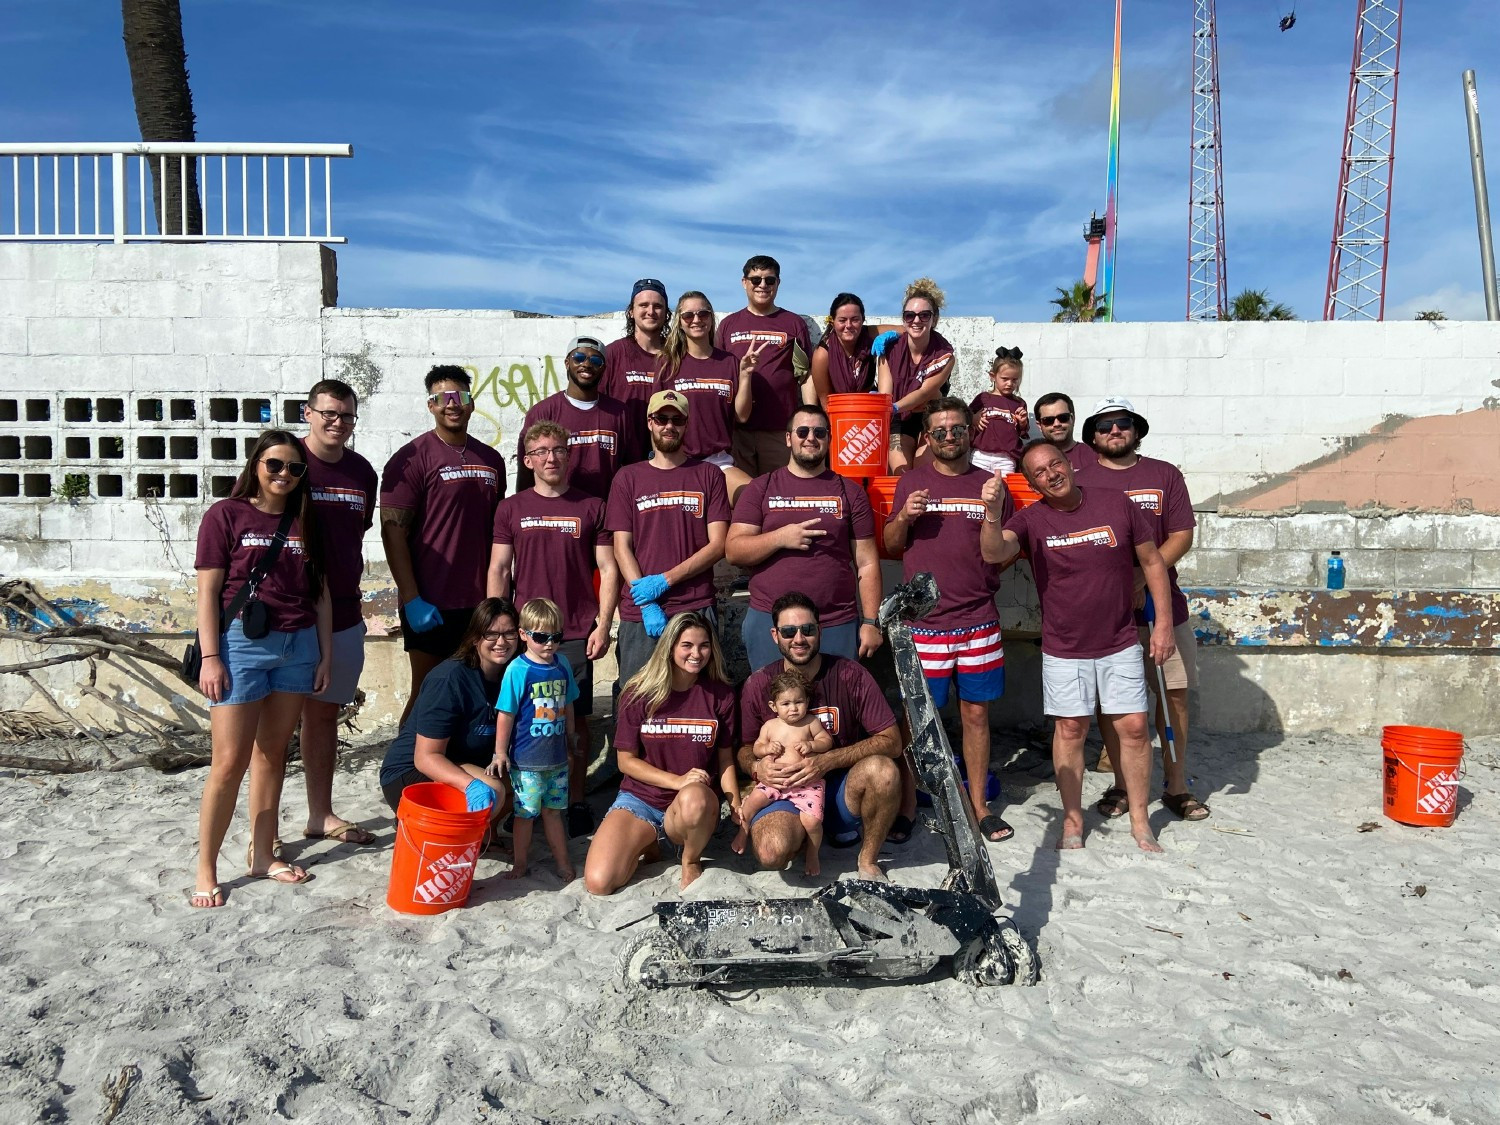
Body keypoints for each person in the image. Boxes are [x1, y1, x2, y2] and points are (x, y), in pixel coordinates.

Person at [980, 440, 1176, 853]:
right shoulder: (1031, 520)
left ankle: (1141, 821)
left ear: (1069, 463)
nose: (1051, 474)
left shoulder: (1117, 503)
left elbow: (1154, 562)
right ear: (1032, 483)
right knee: (1071, 729)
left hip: (1119, 640)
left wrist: (1163, 627)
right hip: (1064, 648)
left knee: (1135, 729)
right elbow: (993, 551)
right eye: (1039, 472)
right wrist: (993, 515)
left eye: (1055, 464)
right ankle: (1072, 820)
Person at [191, 431, 331, 907]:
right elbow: (207, 592)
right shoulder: (225, 515)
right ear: (257, 464)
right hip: (239, 649)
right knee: (228, 762)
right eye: (275, 465)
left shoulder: (306, 519)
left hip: (298, 646)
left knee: (272, 754)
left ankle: (262, 854)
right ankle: (206, 866)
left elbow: (322, 593)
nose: (284, 475)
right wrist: (211, 657)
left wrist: (325, 653)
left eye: (294, 468)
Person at [1073, 397, 1209, 823]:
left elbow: (1182, 535)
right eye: (1104, 425)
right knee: (1114, 705)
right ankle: (1120, 784)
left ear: (1136, 429)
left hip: (1161, 607)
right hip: (1105, 616)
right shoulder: (1080, 479)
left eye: (1123, 423)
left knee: (1174, 696)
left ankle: (1176, 784)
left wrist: (1142, 576)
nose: (1114, 431)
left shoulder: (1163, 475)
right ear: (1092, 435)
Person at [886, 398, 1015, 843]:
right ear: (927, 437)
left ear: (971, 433)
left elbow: (1004, 553)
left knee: (976, 716)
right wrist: (906, 514)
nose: (948, 437)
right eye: (939, 430)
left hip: (979, 620)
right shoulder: (911, 483)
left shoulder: (992, 486)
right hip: (924, 625)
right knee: (916, 720)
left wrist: (993, 512)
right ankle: (905, 804)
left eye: (957, 429)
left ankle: (979, 807)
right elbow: (890, 542)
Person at [488, 420, 619, 837]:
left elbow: (608, 567)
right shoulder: (511, 508)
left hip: (575, 632)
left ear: (569, 455)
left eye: (558, 449)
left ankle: (576, 800)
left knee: (574, 721)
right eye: (541, 451)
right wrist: (497, 625)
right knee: (520, 717)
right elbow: (499, 567)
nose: (550, 457)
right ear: (528, 460)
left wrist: (605, 622)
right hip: (525, 635)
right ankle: (522, 801)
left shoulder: (591, 506)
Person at [738, 592, 902, 881]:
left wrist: (827, 761)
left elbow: (892, 740)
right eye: (789, 631)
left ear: (820, 631)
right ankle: (799, 835)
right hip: (784, 789)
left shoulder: (850, 675)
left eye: (808, 629)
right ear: (775, 635)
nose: (799, 638)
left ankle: (867, 859)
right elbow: (743, 749)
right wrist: (756, 766)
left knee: (884, 771)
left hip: (839, 789)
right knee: (770, 853)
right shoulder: (760, 684)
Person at [380, 365, 507, 726]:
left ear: (471, 403)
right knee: (428, 690)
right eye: (443, 398)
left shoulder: (491, 460)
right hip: (431, 602)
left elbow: (498, 530)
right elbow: (392, 531)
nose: (453, 404)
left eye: (460, 397)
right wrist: (411, 599)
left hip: (480, 603)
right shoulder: (412, 458)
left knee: (482, 692)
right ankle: (403, 767)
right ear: (431, 405)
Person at [583, 611, 738, 894]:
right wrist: (676, 780)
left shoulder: (721, 695)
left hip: (691, 806)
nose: (697, 654)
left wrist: (735, 802)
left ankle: (689, 859)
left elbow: (725, 759)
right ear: (670, 646)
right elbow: (625, 761)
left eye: (704, 645)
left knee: (694, 796)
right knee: (599, 882)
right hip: (641, 799)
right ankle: (649, 841)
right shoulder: (639, 693)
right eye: (687, 645)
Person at [726, 403, 882, 670]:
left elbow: (867, 564)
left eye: (820, 432)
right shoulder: (760, 488)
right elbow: (734, 550)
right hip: (770, 623)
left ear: (830, 439)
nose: (811, 437)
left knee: (834, 707)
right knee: (773, 705)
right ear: (788, 438)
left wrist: (869, 622)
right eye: (802, 431)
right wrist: (780, 538)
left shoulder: (851, 492)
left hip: (834, 622)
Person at [293, 379, 379, 847]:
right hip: (290, 614)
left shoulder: (363, 472)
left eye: (345, 415)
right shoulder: (286, 462)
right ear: (308, 413)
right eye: (328, 413)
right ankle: (260, 831)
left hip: (344, 610)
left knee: (324, 715)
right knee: (275, 724)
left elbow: (355, 534)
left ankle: (319, 814)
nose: (336, 422)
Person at [605, 389, 730, 688]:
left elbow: (718, 544)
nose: (669, 426)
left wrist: (665, 580)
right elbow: (621, 546)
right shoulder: (627, 477)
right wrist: (646, 601)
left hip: (694, 605)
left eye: (677, 419)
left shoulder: (709, 475)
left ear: (687, 425)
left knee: (700, 696)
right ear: (650, 422)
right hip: (642, 611)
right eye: (661, 418)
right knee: (636, 697)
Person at [377, 599, 518, 825]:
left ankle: (484, 837)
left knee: (532, 780)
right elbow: (426, 757)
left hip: (461, 760)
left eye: (509, 634)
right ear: (474, 638)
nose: (501, 642)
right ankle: (453, 836)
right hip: (410, 772)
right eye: (491, 634)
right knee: (493, 789)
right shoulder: (449, 678)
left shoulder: (513, 675)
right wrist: (470, 784)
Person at [489, 598, 579, 882]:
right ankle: (520, 863)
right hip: (526, 762)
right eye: (541, 637)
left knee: (553, 813)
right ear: (524, 634)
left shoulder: (563, 663)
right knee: (525, 814)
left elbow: (569, 703)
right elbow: (506, 713)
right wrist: (500, 752)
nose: (549, 644)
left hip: (557, 759)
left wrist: (571, 735)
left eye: (556, 637)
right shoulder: (518, 669)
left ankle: (563, 862)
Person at [652, 290, 757, 502]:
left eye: (703, 314)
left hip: (719, 461)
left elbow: (742, 416)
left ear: (711, 318)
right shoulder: (668, 364)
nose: (696, 320)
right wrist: (661, 464)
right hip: (678, 460)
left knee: (753, 498)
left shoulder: (729, 362)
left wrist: (745, 375)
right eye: (688, 316)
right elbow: (655, 420)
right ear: (680, 322)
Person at [715, 255, 815, 475]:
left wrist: (811, 418)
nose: (762, 285)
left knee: (779, 494)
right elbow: (718, 376)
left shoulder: (793, 323)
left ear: (778, 283)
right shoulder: (728, 325)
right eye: (756, 279)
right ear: (744, 282)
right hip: (737, 430)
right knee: (742, 500)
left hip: (779, 429)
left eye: (769, 280)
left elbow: (805, 376)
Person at [730, 669, 832, 876]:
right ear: (773, 706)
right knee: (751, 803)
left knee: (812, 821)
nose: (793, 709)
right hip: (774, 781)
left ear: (807, 701)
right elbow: (756, 747)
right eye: (786, 704)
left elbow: (827, 741)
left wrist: (812, 744)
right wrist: (767, 749)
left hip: (806, 783)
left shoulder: (811, 722)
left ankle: (812, 852)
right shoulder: (769, 726)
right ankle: (743, 831)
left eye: (799, 702)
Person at [515, 336, 632, 500]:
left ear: (604, 369)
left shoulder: (620, 413)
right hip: (557, 515)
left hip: (605, 515)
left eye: (596, 360)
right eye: (579, 358)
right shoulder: (542, 412)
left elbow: (631, 469)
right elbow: (526, 472)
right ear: (567, 363)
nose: (587, 364)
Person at [878, 278, 956, 473]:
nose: (916, 320)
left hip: (928, 414)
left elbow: (925, 393)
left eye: (924, 315)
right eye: (909, 315)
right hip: (899, 417)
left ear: (934, 319)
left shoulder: (945, 354)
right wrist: (887, 406)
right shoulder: (889, 349)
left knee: (924, 470)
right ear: (903, 319)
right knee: (900, 471)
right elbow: (885, 393)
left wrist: (893, 406)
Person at [603, 278, 670, 444]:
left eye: (658, 306)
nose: (651, 311)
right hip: (625, 455)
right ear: (631, 311)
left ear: (666, 313)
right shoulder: (613, 353)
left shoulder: (677, 354)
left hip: (669, 455)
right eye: (643, 305)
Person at [808, 293, 899, 402]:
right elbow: (825, 402)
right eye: (842, 320)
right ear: (833, 322)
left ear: (863, 320)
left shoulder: (869, 333)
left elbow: (907, 331)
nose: (849, 325)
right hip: (838, 412)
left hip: (869, 406)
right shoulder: (822, 354)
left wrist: (892, 335)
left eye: (855, 320)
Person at [969, 347, 1029, 476]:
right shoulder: (983, 398)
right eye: (1005, 378)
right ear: (993, 376)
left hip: (1006, 458)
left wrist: (1022, 422)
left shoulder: (1019, 403)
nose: (1009, 383)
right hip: (980, 455)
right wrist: (973, 418)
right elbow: (964, 418)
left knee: (1004, 490)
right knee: (975, 488)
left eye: (1015, 380)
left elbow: (1022, 431)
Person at [1034, 392, 1091, 471]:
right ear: (1039, 425)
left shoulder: (1094, 456)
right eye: (1048, 420)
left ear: (1073, 419)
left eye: (1063, 417)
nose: (1057, 424)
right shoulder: (1032, 459)